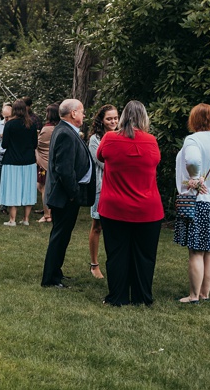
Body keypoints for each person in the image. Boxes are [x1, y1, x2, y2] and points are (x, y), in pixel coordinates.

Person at [97, 100, 164, 306]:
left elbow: (100, 156)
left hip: (114, 206)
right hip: (147, 208)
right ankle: (142, 296)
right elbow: (156, 161)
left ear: (123, 116)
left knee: (116, 254)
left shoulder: (109, 138)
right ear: (144, 118)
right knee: (145, 255)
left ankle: (117, 296)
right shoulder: (151, 141)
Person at [41, 99, 93, 287]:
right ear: (73, 114)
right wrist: (73, 193)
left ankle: (56, 271)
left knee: (62, 236)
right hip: (65, 196)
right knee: (59, 237)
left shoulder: (64, 130)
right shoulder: (64, 132)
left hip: (66, 195)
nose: (84, 115)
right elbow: (64, 169)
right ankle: (50, 279)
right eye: (82, 111)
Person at [173, 103, 210, 303]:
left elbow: (192, 160)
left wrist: (195, 177)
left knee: (196, 251)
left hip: (198, 201)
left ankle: (193, 295)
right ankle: (205, 293)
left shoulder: (193, 140)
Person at [86, 104, 119, 279]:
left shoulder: (122, 135)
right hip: (101, 186)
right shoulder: (95, 139)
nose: (113, 121)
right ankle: (94, 264)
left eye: (115, 118)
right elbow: (102, 163)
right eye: (109, 118)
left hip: (118, 187)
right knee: (97, 225)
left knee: (115, 227)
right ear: (102, 120)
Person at [0, 97, 39, 227]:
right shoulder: (32, 124)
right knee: (28, 189)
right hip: (29, 161)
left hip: (12, 161)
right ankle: (26, 219)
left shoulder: (9, 124)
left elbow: (4, 145)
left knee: (12, 189)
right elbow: (34, 144)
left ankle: (12, 220)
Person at [35, 104, 59, 224]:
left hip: (44, 162)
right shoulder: (59, 127)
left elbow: (39, 145)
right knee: (41, 186)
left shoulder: (47, 129)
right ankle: (51, 211)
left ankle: (47, 214)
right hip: (53, 161)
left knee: (44, 187)